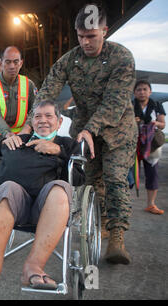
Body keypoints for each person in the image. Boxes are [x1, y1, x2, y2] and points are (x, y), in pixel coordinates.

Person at [33, 4, 138, 264]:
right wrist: (31, 123)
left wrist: (91, 128)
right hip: (84, 131)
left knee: (114, 178)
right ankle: (98, 225)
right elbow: (48, 91)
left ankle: (116, 238)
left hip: (117, 131)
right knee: (89, 181)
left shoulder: (122, 58)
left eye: (91, 36)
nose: (85, 42)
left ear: (105, 30)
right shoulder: (70, 60)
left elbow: (114, 103)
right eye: (80, 36)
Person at [0, 101, 85, 289]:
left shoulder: (67, 144)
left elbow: (78, 178)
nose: (43, 121)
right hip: (10, 204)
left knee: (60, 188)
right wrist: (4, 141)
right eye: (38, 117)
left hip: (47, 208)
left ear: (59, 122)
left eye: (48, 116)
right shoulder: (20, 139)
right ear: (32, 122)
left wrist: (59, 152)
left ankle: (33, 267)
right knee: (8, 187)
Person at [0, 46, 37, 147]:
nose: (12, 66)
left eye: (16, 62)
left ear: (21, 63)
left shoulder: (29, 85)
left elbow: (35, 109)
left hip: (22, 136)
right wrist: (7, 133)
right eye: (8, 62)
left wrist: (27, 128)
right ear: (1, 63)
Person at [133, 79, 166, 215]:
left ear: (150, 91)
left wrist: (155, 123)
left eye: (145, 89)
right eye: (139, 89)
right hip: (133, 144)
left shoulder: (157, 105)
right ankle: (124, 205)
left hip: (151, 145)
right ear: (134, 93)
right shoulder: (130, 106)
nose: (142, 92)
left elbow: (162, 124)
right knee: (129, 175)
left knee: (152, 174)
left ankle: (151, 204)